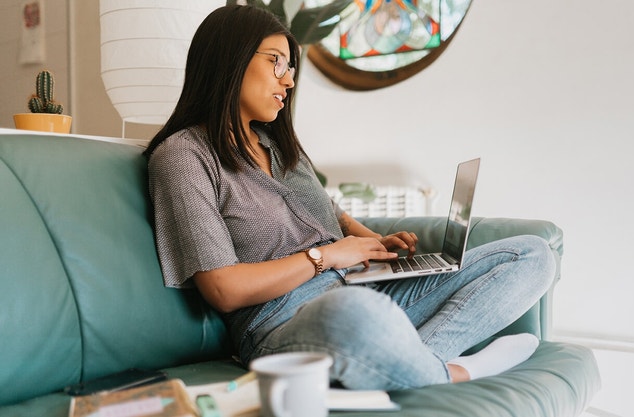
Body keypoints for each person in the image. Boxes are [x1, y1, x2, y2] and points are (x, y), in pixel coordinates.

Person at [144, 4, 556, 390]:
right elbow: (223, 288)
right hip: (285, 319)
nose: (288, 80)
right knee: (354, 316)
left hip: (363, 285)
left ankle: (405, 358)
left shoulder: (278, 146)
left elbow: (332, 215)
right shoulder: (183, 156)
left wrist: (371, 242)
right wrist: (325, 258)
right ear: (229, 60)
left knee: (533, 255)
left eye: (290, 67)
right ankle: (450, 371)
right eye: (276, 62)